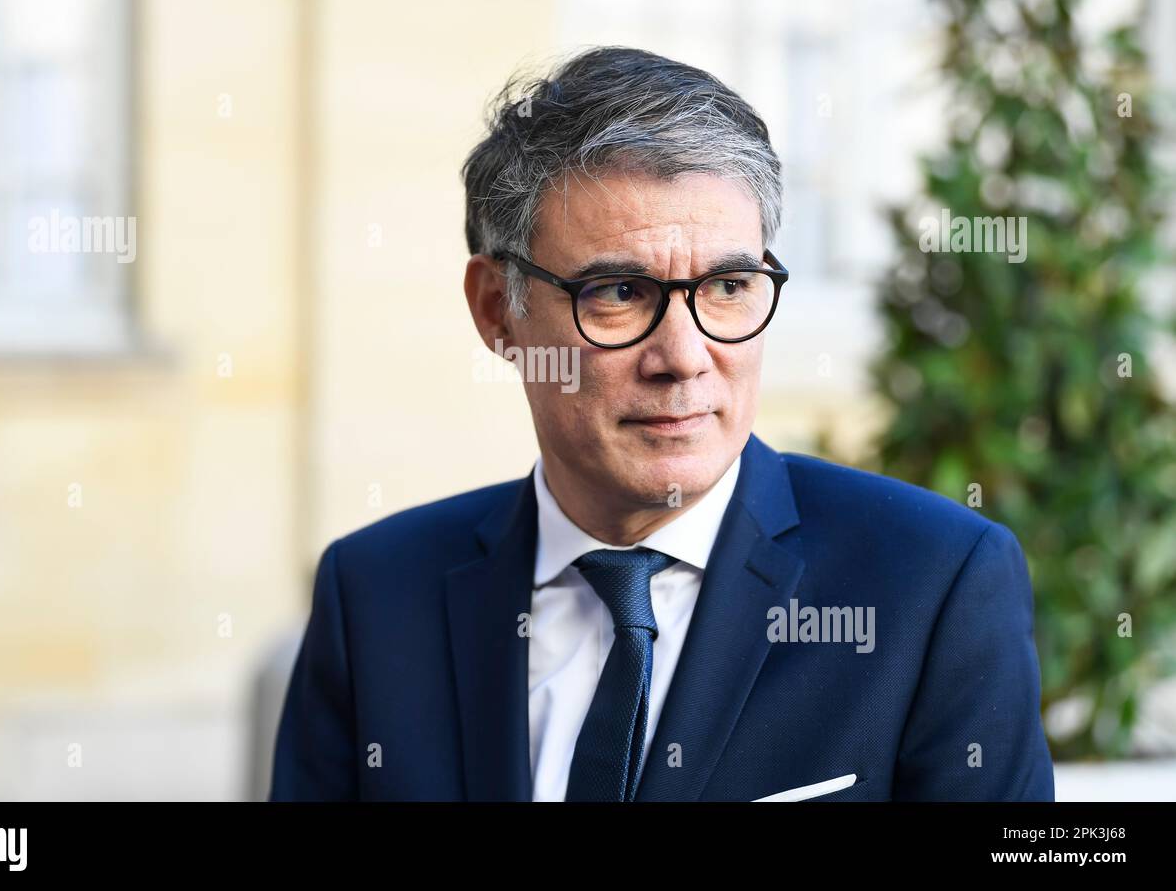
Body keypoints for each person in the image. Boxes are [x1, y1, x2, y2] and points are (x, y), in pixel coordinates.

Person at [270, 45, 1055, 801]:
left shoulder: (933, 584)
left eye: (727, 286)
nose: (683, 357)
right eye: (617, 292)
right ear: (495, 311)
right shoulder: (374, 597)